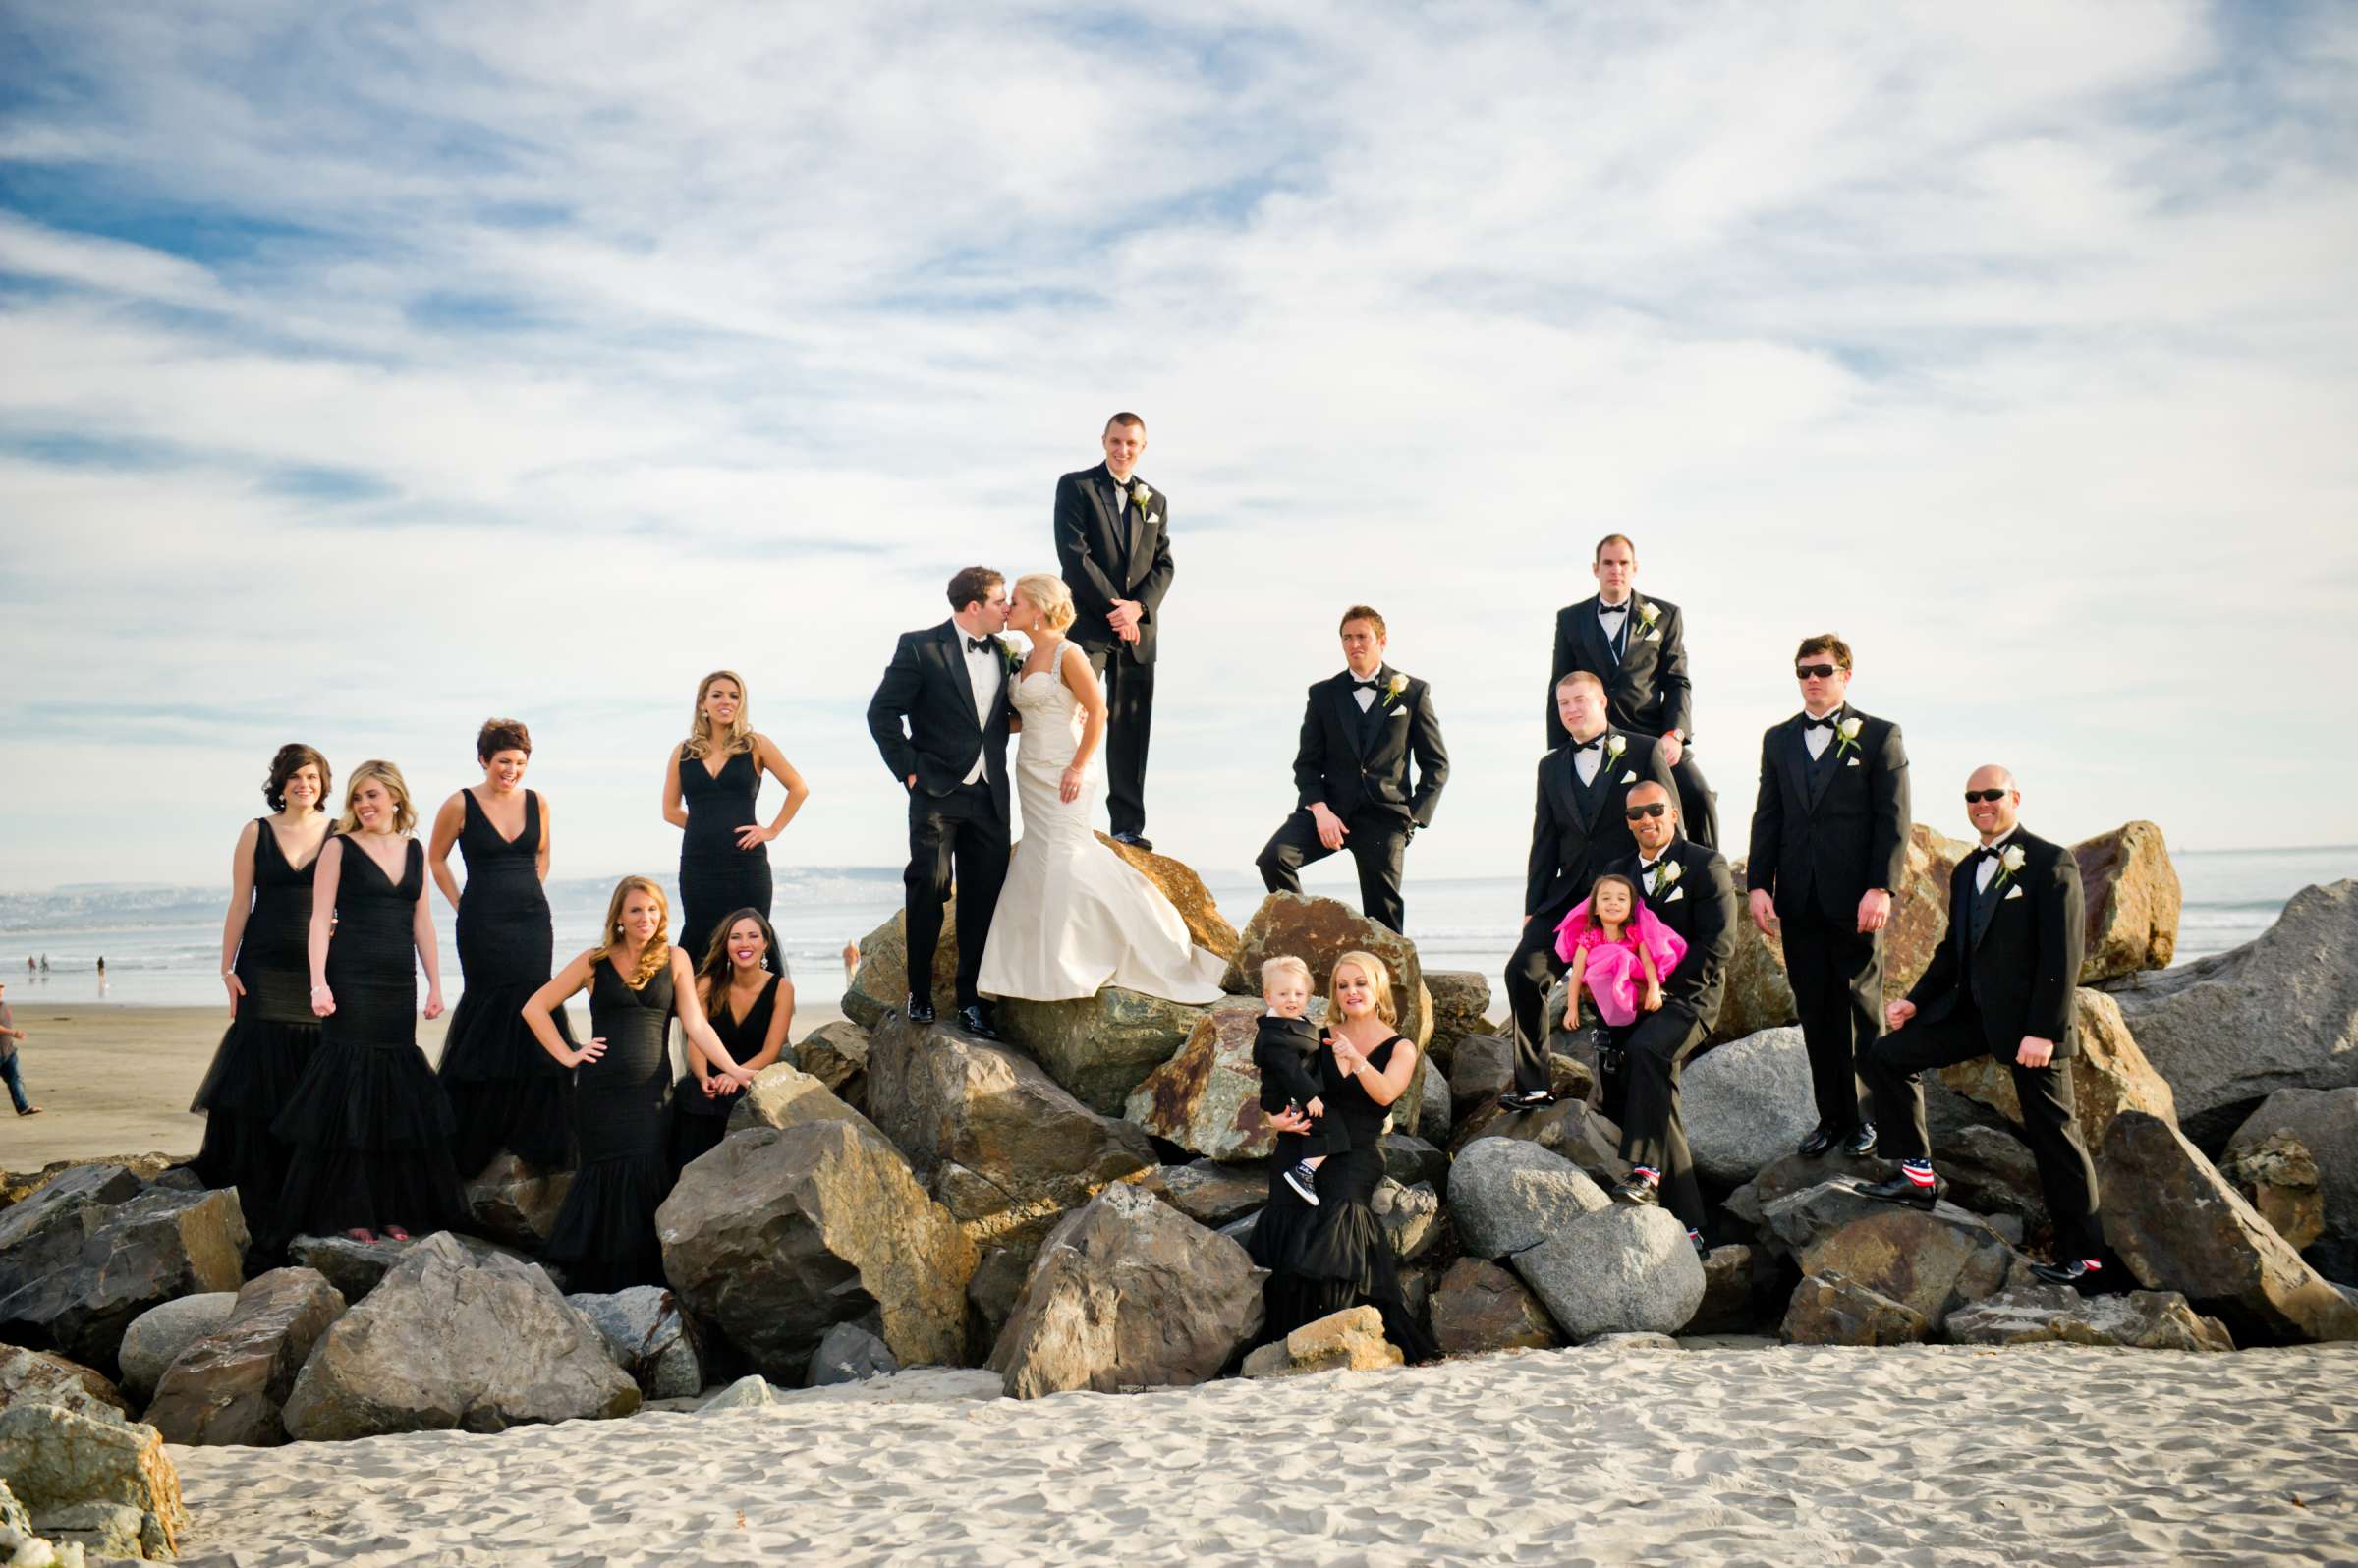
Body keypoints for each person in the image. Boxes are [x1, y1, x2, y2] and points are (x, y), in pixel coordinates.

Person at [1857, 767, 2104, 1285]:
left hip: (2031, 1028)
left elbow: (2063, 954)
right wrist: (1916, 1003)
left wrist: (2046, 1030)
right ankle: (1916, 1175)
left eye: (1992, 794)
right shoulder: (1968, 869)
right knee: (1889, 1055)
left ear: (2015, 797)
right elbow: (1953, 951)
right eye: (1972, 797)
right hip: (1972, 1017)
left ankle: (2087, 1259)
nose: (1982, 803)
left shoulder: (2049, 862)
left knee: (2055, 1136)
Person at [977, 573, 1227, 1006]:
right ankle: (1028, 970)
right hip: (1030, 771)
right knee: (1040, 855)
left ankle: (1076, 962)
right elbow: (1021, 719)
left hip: (1065, 771)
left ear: (1038, 609)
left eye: (1014, 601)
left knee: (1065, 857)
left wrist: (1077, 767)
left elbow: (1098, 712)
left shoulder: (1068, 653)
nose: (1008, 608)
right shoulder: (1023, 657)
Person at [524, 876, 755, 1292]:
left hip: (651, 1093)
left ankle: (644, 1285)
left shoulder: (675, 958)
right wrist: (569, 1053)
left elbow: (696, 1025)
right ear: (619, 917)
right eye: (635, 910)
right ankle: (598, 1287)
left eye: (652, 909)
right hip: (599, 1094)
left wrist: (733, 1068)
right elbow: (535, 1007)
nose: (645, 917)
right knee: (603, 1175)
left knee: (646, 1171)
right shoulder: (594, 962)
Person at [275, 760, 467, 1244]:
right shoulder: (338, 847)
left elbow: (423, 922)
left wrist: (436, 985)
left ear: (396, 799)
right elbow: (320, 919)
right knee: (353, 1095)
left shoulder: (415, 850)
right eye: (358, 797)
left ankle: (392, 1210)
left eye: (374, 796)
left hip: (397, 984)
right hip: (351, 978)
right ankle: (351, 1209)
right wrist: (318, 982)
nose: (364, 805)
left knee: (392, 1099)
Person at [1746, 634, 1910, 1160]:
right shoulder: (1778, 740)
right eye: (1802, 672)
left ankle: (1870, 1119)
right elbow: (1768, 816)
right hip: (1797, 899)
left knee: (1863, 1010)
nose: (1811, 680)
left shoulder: (1881, 735)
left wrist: (1881, 887)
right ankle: (1832, 1118)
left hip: (1856, 901)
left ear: (1845, 674)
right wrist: (1757, 885)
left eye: (1821, 670)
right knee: (1816, 1014)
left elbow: (1893, 819)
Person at [1248, 952, 1438, 1363]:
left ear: (1378, 988)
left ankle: (1339, 1335)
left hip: (1356, 1152)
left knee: (1337, 1214)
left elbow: (1387, 1093)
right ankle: (1285, 1341)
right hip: (1303, 1145)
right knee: (1286, 1215)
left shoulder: (1399, 1046)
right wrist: (1274, 1119)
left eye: (1360, 983)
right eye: (1342, 985)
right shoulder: (1318, 1034)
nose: (1351, 992)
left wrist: (1356, 1059)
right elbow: (1280, 1077)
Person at [1501, 671, 1674, 1109]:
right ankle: (1535, 1085)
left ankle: (1624, 1105)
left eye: (1580, 700)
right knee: (1523, 971)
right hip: (1567, 899)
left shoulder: (1642, 749)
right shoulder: (1550, 766)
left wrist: (1664, 897)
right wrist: (1533, 906)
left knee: (1619, 997)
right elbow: (1544, 840)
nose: (1572, 709)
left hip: (1626, 900)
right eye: (1564, 703)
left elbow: (1669, 824)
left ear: (1603, 703)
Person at [865, 566, 1018, 1037]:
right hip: (935, 791)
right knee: (929, 886)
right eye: (1000, 601)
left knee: (983, 898)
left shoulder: (1006, 653)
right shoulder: (920, 646)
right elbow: (881, 712)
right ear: (975, 606)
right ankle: (919, 993)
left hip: (990, 793)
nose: (1007, 608)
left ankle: (971, 1000)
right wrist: (908, 768)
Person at [192, 743, 333, 1241]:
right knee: (258, 1071)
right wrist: (226, 968)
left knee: (312, 1066)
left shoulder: (340, 833)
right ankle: (257, 1189)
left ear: (323, 783)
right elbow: (239, 903)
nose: (304, 785)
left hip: (318, 970)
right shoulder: (256, 831)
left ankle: (305, 1185)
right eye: (295, 777)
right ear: (281, 782)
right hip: (264, 965)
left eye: (312, 777)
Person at [428, 719, 576, 1178]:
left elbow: (544, 853)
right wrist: (460, 903)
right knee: (491, 1008)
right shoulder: (460, 803)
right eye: (503, 762)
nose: (511, 771)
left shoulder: (539, 803)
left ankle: (530, 1130)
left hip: (533, 921)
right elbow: (436, 857)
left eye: (519, 763)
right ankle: (479, 1134)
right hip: (482, 924)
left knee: (534, 1000)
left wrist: (532, 888)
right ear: (483, 760)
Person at [1597, 780, 1740, 1248]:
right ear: (1628, 823)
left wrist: (1658, 988)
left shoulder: (1705, 865)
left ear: (1674, 812)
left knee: (1647, 1049)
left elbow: (1719, 946)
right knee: (1661, 1102)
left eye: (1655, 810)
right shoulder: (1617, 872)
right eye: (1635, 814)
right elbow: (1600, 934)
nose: (1646, 820)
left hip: (1690, 999)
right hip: (1633, 1002)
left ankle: (1645, 1170)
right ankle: (1693, 1227)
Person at [1255, 605, 1449, 934]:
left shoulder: (1413, 692)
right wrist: (1320, 810)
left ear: (1381, 641)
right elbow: (1306, 764)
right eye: (1347, 637)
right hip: (1329, 811)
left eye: (1362, 636)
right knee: (1274, 859)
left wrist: (1411, 819)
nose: (1354, 644)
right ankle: (1306, 938)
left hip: (1385, 817)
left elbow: (1437, 765)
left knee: (1382, 918)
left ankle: (1383, 982)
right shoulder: (1323, 695)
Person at [1548, 533, 1718, 845]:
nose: (1616, 569)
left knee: (1700, 796)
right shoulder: (1571, 619)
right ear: (1595, 569)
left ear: (1635, 567)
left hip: (1654, 738)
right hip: (1597, 737)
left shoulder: (1666, 615)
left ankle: (1708, 880)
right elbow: (1558, 684)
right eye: (1608, 563)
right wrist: (1560, 752)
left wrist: (1675, 734)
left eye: (1623, 563)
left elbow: (1677, 680)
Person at [1054, 412, 1174, 849]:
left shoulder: (1155, 500)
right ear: (1104, 440)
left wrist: (1138, 609)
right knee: (1073, 719)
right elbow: (1074, 555)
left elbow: (1164, 563)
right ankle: (1067, 817)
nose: (1123, 450)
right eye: (1117, 441)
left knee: (1131, 728)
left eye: (1132, 444)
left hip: (1139, 634)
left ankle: (1127, 828)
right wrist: (1115, 610)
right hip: (1089, 627)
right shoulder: (1076, 486)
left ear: (1142, 448)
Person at [663, 671, 812, 965]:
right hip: (699, 865)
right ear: (703, 703)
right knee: (700, 939)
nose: (726, 701)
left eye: (734, 695)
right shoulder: (683, 752)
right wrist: (705, 829)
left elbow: (798, 788)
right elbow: (670, 810)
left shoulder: (756, 745)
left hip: (746, 864)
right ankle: (701, 1010)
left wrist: (771, 830)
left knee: (750, 939)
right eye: (717, 694)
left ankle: (762, 1009)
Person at [671, 908, 793, 1169]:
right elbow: (696, 1038)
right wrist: (703, 1076)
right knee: (692, 1096)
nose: (744, 944)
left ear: (765, 943)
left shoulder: (782, 989)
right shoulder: (705, 984)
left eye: (752, 936)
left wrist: (736, 1075)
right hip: (710, 1079)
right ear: (726, 945)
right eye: (735, 937)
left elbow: (772, 1050)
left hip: (753, 1076)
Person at [1252, 955, 1342, 1206]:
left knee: (1329, 1127)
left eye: (1298, 994)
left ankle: (1308, 1167)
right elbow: (1290, 1070)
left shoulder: (1298, 1022)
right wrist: (1310, 1096)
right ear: (1269, 997)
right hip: (1287, 1097)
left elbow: (1308, 1053)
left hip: (1299, 1091)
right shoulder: (1273, 1035)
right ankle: (1304, 1171)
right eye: (1283, 994)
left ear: (1308, 997)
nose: (1292, 999)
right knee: (1331, 1128)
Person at [1555, 872, 1683, 1031]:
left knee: (1623, 957)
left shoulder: (1635, 934)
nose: (1614, 903)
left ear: (1630, 908)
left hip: (1632, 994)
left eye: (1621, 899)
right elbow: (1576, 974)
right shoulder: (1589, 937)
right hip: (1601, 996)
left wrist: (1654, 989)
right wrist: (1572, 1008)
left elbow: (1648, 963)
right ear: (1595, 908)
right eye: (1606, 898)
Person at [0, 980, 35, 1116]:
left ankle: (23, 1108)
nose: (0, 990)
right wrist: (13, 1033)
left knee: (16, 1078)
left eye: (2, 987)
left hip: (8, 1051)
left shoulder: (4, 1005)